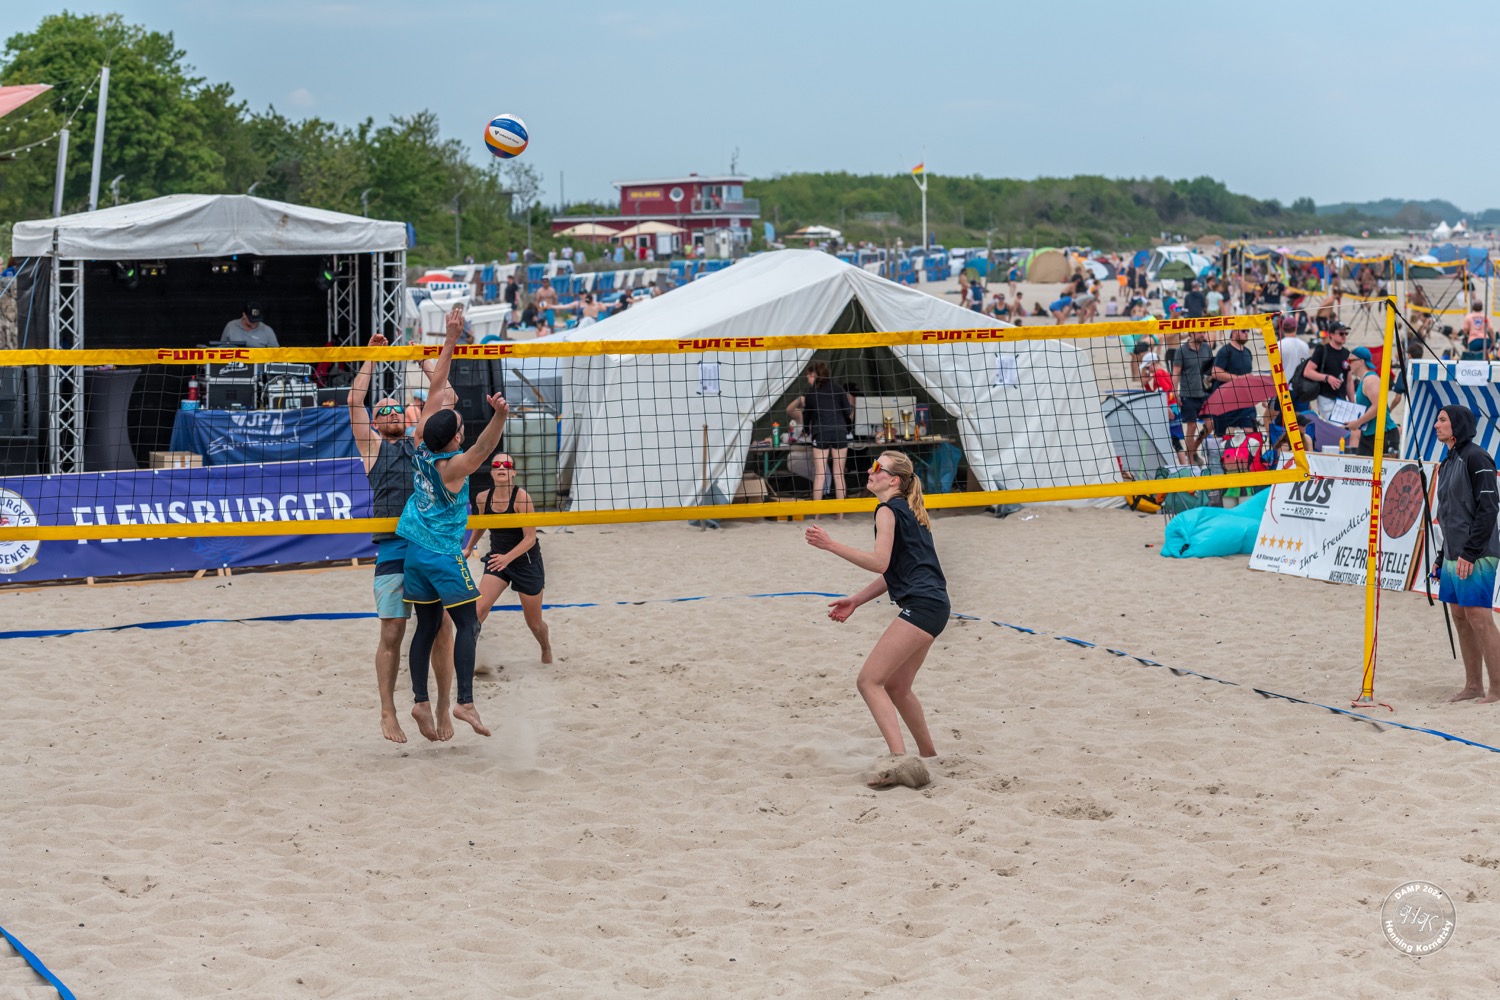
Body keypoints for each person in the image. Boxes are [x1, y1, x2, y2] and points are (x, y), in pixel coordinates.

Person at [396, 321, 511, 738]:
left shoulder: (421, 443)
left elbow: (438, 384)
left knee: (426, 627)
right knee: (468, 624)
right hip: (443, 555)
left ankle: (420, 702)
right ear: (455, 438)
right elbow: (484, 448)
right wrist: (500, 416)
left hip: (414, 552)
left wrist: (449, 340)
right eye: (461, 425)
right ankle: (464, 702)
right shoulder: (454, 468)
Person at [349, 328, 459, 742]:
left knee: (443, 629)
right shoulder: (373, 449)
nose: (393, 412)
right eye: (385, 410)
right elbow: (354, 401)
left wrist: (421, 358)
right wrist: (371, 356)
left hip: (429, 545)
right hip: (393, 547)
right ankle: (387, 712)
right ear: (376, 423)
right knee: (392, 631)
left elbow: (447, 398)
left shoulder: (424, 445)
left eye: (398, 408)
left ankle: (443, 707)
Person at [805, 451, 947, 770]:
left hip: (922, 606)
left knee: (869, 681)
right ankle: (929, 757)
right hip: (935, 606)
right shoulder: (908, 508)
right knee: (898, 687)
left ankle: (900, 761)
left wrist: (831, 545)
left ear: (893, 480)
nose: (870, 471)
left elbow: (880, 562)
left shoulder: (887, 510)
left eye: (877, 467)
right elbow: (894, 571)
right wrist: (856, 600)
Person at [1433, 405, 1500, 703]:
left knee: (1479, 616)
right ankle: (1474, 685)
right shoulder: (1447, 462)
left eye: (1442, 420)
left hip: (1478, 552)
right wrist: (1441, 556)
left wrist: (1470, 553)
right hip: (1453, 552)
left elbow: (1489, 508)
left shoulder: (1477, 457)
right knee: (1459, 616)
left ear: (1457, 425)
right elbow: (1449, 515)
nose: (1436, 425)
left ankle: (1498, 688)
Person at [464, 453, 552, 663]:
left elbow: (530, 538)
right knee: (477, 611)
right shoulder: (483, 498)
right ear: (492, 472)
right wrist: (468, 547)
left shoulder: (522, 498)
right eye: (497, 464)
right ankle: (468, 660)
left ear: (513, 472)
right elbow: (482, 524)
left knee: (534, 624)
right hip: (498, 561)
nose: (502, 467)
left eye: (506, 465)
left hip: (525, 562)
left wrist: (507, 558)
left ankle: (545, 647)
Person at [787, 362, 854, 516]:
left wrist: (806, 430)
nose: (808, 379)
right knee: (839, 474)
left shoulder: (811, 393)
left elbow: (807, 415)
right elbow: (847, 410)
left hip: (821, 432)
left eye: (809, 376)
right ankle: (840, 515)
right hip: (839, 432)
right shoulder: (838, 388)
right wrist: (846, 427)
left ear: (815, 375)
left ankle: (816, 515)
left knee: (820, 473)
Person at [1342, 346, 1399, 456]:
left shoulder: (1370, 380)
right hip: (1369, 433)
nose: (1348, 364)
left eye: (1351, 361)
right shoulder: (1364, 380)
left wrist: (1357, 422)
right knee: (1361, 465)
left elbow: (1378, 407)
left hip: (1384, 433)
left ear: (1361, 362)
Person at [1210, 326, 1260, 434]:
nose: (1246, 333)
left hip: (1244, 400)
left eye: (1248, 331)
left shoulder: (1247, 352)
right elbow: (1215, 372)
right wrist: (1239, 378)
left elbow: (1246, 375)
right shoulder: (1225, 351)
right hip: (1226, 400)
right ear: (1233, 333)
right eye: (1243, 330)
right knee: (1223, 435)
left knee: (1250, 430)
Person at [1301, 322, 1352, 419]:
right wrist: (1327, 378)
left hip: (1342, 399)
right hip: (1326, 397)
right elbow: (1307, 372)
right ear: (1331, 335)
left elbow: (1349, 380)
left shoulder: (1347, 353)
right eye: (1341, 333)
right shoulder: (1322, 350)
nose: (1344, 336)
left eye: (1346, 333)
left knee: (1343, 426)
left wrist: (1352, 402)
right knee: (1335, 425)